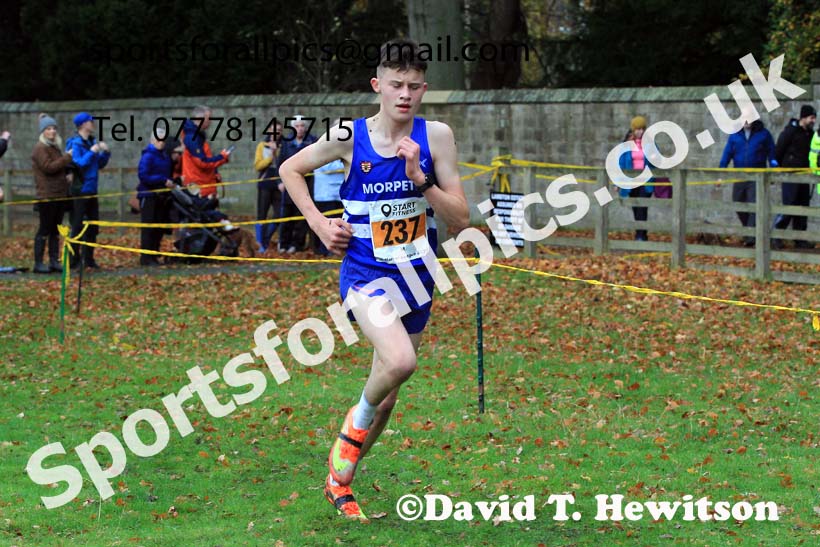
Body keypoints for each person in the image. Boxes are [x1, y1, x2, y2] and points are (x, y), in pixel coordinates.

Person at [280, 38, 469, 520]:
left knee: (387, 398)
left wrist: (420, 178)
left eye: (413, 86)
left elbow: (462, 219)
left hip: (418, 276)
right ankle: (349, 435)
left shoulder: (437, 137)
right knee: (401, 361)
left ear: (423, 89)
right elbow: (290, 169)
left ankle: (339, 483)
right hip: (365, 274)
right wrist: (321, 224)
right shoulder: (348, 135)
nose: (404, 94)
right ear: (377, 86)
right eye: (395, 85)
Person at [719, 116, 777, 246]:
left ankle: (751, 238)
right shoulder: (735, 135)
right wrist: (720, 173)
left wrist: (774, 170)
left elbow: (772, 153)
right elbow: (727, 154)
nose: (746, 122)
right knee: (738, 203)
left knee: (753, 206)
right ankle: (750, 231)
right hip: (739, 176)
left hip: (756, 176)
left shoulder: (764, 134)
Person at [67, 112, 110, 269]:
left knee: (93, 226)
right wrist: (92, 151)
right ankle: (74, 260)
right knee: (77, 225)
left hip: (92, 189)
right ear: (82, 125)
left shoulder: (92, 141)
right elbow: (78, 164)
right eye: (90, 121)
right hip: (80, 190)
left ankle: (89, 259)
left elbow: (99, 164)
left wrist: (105, 153)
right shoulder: (75, 144)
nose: (93, 124)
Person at [31, 114, 73, 273]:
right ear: (43, 131)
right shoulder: (40, 148)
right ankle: (38, 262)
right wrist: (67, 158)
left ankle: (54, 260)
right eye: (48, 128)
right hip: (47, 196)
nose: (52, 131)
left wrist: (67, 171)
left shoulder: (55, 147)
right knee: (44, 229)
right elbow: (49, 167)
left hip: (59, 195)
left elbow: (59, 166)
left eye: (54, 128)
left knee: (56, 229)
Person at [772, 104, 816, 249]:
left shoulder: (810, 134)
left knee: (803, 207)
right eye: (811, 118)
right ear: (803, 117)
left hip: (804, 175)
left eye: (814, 118)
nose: (813, 121)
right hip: (790, 175)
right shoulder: (790, 132)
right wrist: (776, 166)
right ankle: (776, 235)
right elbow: (779, 149)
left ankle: (800, 238)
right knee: (789, 205)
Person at [277, 117, 317, 252]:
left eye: (302, 126)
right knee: (286, 216)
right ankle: (283, 243)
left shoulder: (312, 141)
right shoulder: (286, 143)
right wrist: (279, 182)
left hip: (306, 184)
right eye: (297, 126)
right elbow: (280, 163)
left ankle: (297, 244)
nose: (299, 128)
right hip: (289, 185)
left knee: (301, 215)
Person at [137, 129, 176, 266]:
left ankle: (154, 253)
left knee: (158, 227)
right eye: (159, 140)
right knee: (149, 227)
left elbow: (167, 172)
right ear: (153, 140)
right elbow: (144, 176)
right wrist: (162, 180)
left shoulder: (164, 156)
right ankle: (146, 256)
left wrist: (169, 181)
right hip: (149, 195)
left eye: (163, 140)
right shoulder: (148, 156)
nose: (162, 143)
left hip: (161, 195)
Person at [181, 105, 231, 201]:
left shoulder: (198, 136)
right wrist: (222, 157)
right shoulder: (193, 138)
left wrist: (215, 172)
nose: (210, 121)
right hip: (199, 188)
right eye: (209, 118)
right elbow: (202, 162)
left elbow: (206, 158)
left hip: (204, 185)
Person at [616, 117, 655, 241]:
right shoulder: (626, 145)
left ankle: (641, 235)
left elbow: (656, 161)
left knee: (642, 206)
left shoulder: (649, 144)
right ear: (633, 130)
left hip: (645, 181)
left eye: (643, 129)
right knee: (635, 207)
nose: (641, 132)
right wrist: (618, 182)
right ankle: (640, 233)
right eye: (638, 129)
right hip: (631, 181)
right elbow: (621, 163)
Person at [253, 121, 283, 252]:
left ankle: (265, 239)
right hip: (265, 183)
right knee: (262, 214)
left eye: (279, 130)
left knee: (279, 215)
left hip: (279, 184)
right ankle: (260, 244)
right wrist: (271, 155)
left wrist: (276, 152)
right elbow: (258, 165)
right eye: (273, 130)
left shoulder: (284, 145)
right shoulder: (262, 145)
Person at [311, 159, 345, 255]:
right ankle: (323, 249)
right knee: (327, 225)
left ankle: (335, 248)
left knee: (338, 224)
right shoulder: (323, 151)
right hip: (325, 195)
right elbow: (328, 168)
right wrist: (348, 163)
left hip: (338, 194)